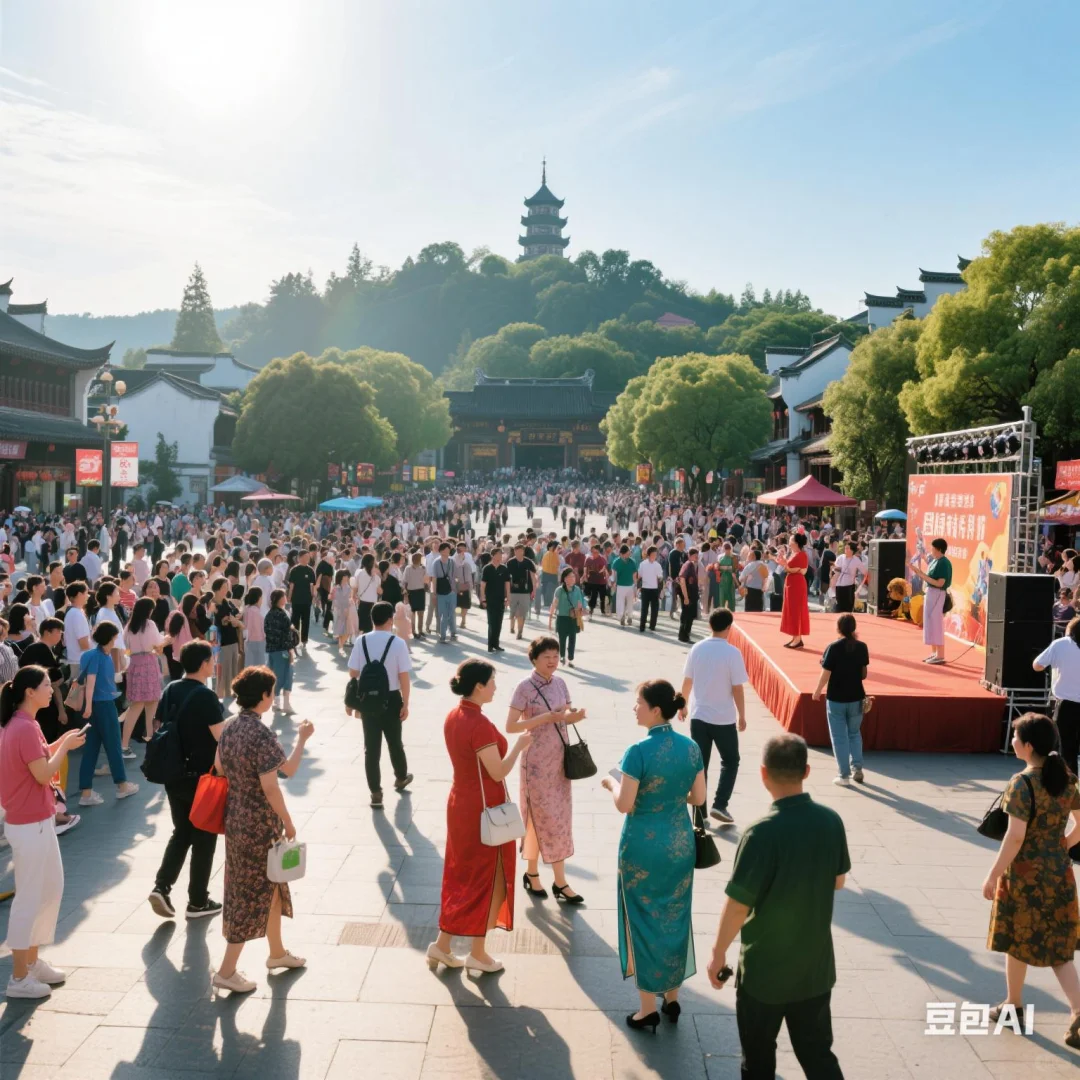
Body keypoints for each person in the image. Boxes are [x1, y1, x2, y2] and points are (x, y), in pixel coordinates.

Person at [707, 733, 849, 1078]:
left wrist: (718, 953)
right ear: (807, 770)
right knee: (818, 1056)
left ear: (763, 773)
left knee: (757, 1060)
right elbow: (838, 881)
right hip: (814, 969)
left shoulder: (761, 833)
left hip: (764, 972)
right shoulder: (830, 821)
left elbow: (738, 904)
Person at [601, 679, 705, 1031]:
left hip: (642, 846)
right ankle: (672, 997)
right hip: (678, 842)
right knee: (674, 915)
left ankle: (647, 1009)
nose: (634, 708)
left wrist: (612, 784)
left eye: (638, 702)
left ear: (655, 709)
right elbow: (699, 798)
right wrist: (672, 797)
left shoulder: (638, 751)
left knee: (642, 917)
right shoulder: (691, 747)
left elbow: (625, 804)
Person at [212, 666, 314, 994]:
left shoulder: (230, 728)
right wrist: (288, 821)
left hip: (236, 817)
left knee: (270, 887)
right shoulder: (260, 733)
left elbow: (218, 767)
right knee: (250, 894)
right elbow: (275, 784)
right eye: (271, 691)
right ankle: (227, 970)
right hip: (259, 824)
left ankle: (277, 953)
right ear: (265, 696)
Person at [982, 713, 1080, 1050]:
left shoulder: (1022, 784)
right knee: (1059, 951)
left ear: (1028, 746)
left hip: (1024, 876)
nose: (1012, 742)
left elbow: (1014, 838)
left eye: (1015, 738)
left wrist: (993, 875)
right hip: (1060, 874)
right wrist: (1062, 845)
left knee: (1015, 938)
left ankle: (1014, 1003)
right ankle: (1078, 1010)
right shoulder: (1068, 780)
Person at [428, 660, 531, 975]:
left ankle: (444, 945)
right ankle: (476, 952)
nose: (496, 687)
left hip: (462, 801)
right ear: (479, 687)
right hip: (483, 809)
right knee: (488, 876)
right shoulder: (479, 725)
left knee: (465, 875)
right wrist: (518, 747)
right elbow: (497, 770)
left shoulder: (454, 716)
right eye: (492, 682)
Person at [0, 666, 86, 999]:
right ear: (29, 692)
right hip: (30, 823)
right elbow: (42, 773)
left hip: (35, 821)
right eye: (47, 684)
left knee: (49, 891)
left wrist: (61, 742)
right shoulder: (22, 727)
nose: (53, 689)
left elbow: (36, 759)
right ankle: (19, 978)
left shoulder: (22, 724)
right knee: (30, 899)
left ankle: (32, 964)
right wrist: (64, 749)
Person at [148, 641, 225, 920]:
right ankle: (198, 902)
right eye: (211, 658)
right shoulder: (205, 696)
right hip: (202, 779)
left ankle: (162, 887)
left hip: (174, 774)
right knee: (204, 836)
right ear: (204, 663)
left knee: (181, 833)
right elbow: (220, 737)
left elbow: (158, 727)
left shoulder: (170, 689)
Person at [507, 638, 586, 903]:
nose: (552, 661)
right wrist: (545, 718)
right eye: (546, 657)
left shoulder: (561, 683)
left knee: (559, 819)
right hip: (536, 764)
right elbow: (510, 726)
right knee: (538, 818)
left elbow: (564, 713)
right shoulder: (524, 688)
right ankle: (557, 881)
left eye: (555, 655)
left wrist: (571, 715)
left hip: (559, 761)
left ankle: (536, 875)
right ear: (534, 659)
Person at [681, 608, 749, 826]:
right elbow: (737, 688)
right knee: (731, 761)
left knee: (700, 766)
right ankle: (720, 804)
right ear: (729, 627)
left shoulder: (697, 648)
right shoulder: (732, 653)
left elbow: (687, 681)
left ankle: (699, 815)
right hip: (723, 718)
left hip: (699, 716)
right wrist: (742, 715)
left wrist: (682, 706)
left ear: (710, 625)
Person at [347, 602, 413, 808]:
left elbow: (353, 673)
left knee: (371, 748)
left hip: (368, 700)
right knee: (395, 742)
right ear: (390, 620)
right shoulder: (398, 643)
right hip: (392, 698)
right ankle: (401, 776)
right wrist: (406, 703)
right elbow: (404, 677)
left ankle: (375, 792)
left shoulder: (361, 641)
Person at [77, 623, 139, 806]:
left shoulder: (89, 655)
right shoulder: (100, 657)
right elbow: (91, 682)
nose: (115, 640)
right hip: (103, 705)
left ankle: (86, 793)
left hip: (95, 707)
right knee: (113, 746)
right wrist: (88, 705)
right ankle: (122, 786)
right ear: (110, 637)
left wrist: (88, 708)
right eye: (114, 637)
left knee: (91, 748)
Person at [813, 613, 870, 786]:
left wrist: (817, 691)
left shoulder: (833, 647)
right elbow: (864, 674)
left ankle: (844, 774)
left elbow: (826, 673)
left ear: (838, 628)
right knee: (854, 733)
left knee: (839, 737)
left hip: (837, 698)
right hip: (856, 697)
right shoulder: (862, 647)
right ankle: (857, 767)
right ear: (854, 628)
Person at [1033, 615, 1080, 778]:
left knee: (1066, 749)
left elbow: (1037, 665)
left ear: (1070, 631)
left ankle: (1069, 786)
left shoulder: (1061, 644)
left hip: (1065, 705)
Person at [120, 597, 165, 754]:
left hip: (134, 663)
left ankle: (124, 744)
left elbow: (124, 646)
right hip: (149, 662)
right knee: (152, 704)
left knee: (135, 706)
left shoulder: (129, 626)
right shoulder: (150, 624)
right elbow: (157, 644)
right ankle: (150, 738)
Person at [911, 537, 951, 664]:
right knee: (930, 622)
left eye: (933, 548)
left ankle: (940, 654)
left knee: (936, 623)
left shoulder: (944, 563)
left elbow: (940, 583)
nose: (931, 550)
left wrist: (922, 575)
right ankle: (934, 652)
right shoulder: (935, 561)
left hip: (937, 593)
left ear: (939, 549)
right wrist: (920, 573)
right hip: (930, 593)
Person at [264, 589, 295, 714]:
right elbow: (286, 634)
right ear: (280, 599)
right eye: (284, 596)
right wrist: (290, 649)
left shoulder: (269, 614)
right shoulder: (282, 614)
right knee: (286, 675)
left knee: (275, 675)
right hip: (282, 649)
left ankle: (276, 702)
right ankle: (286, 704)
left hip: (271, 649)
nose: (286, 598)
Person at [548, 567, 585, 667]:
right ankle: (562, 656)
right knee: (562, 639)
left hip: (573, 618)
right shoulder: (559, 590)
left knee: (573, 638)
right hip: (562, 618)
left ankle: (570, 658)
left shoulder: (577, 589)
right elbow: (554, 603)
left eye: (573, 576)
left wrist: (582, 611)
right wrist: (550, 616)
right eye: (570, 577)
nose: (573, 579)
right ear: (564, 579)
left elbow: (581, 602)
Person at [778, 534, 810, 648]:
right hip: (791, 582)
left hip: (797, 584)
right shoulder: (794, 554)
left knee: (796, 610)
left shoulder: (802, 555)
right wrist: (785, 565)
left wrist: (788, 567)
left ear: (796, 542)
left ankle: (797, 637)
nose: (789, 541)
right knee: (791, 610)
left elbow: (803, 571)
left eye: (791, 539)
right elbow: (790, 568)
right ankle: (796, 637)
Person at [480, 547, 510, 653]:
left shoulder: (504, 568)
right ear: (493, 555)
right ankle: (490, 645)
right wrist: (483, 599)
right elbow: (483, 585)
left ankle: (496, 644)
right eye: (498, 555)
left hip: (500, 599)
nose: (500, 557)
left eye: (501, 555)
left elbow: (507, 584)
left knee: (499, 622)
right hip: (490, 599)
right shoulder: (487, 568)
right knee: (492, 622)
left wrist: (508, 598)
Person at [286, 549, 316, 651]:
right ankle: (294, 640)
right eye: (304, 557)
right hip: (296, 599)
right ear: (299, 558)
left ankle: (304, 640)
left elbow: (312, 586)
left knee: (305, 621)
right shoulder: (294, 570)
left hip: (307, 600)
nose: (306, 559)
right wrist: (289, 598)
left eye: (308, 558)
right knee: (295, 620)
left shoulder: (310, 570)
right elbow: (291, 586)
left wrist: (313, 596)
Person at [506, 544, 536, 640]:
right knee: (513, 611)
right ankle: (512, 626)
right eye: (516, 551)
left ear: (523, 551)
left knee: (521, 613)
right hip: (513, 591)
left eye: (520, 551)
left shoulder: (528, 562)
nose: (519, 553)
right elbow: (507, 579)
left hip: (525, 591)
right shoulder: (510, 562)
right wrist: (507, 592)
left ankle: (520, 631)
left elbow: (533, 577)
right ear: (514, 552)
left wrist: (534, 590)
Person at [830, 541, 865, 614]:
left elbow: (865, 572)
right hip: (839, 586)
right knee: (839, 607)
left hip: (849, 587)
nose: (845, 549)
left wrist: (860, 587)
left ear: (852, 550)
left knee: (848, 608)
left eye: (848, 548)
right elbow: (835, 569)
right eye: (845, 548)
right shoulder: (840, 557)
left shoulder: (856, 560)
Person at [636, 546, 664, 633]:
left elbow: (660, 578)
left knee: (654, 609)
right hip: (645, 589)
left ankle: (652, 626)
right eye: (653, 554)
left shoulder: (657, 565)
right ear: (649, 554)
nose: (654, 556)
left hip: (654, 589)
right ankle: (642, 626)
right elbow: (639, 576)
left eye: (656, 554)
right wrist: (638, 588)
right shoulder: (642, 564)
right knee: (644, 608)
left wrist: (660, 590)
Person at [677, 547, 701, 643]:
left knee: (689, 616)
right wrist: (686, 597)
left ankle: (685, 635)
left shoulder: (692, 565)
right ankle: (684, 636)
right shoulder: (688, 564)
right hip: (688, 595)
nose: (696, 557)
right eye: (695, 556)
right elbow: (682, 579)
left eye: (697, 556)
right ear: (689, 556)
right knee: (687, 616)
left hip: (692, 595)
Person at [242, 586, 267, 669]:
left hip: (249, 642)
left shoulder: (247, 609)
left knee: (250, 666)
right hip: (258, 642)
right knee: (260, 667)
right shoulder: (256, 611)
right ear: (259, 598)